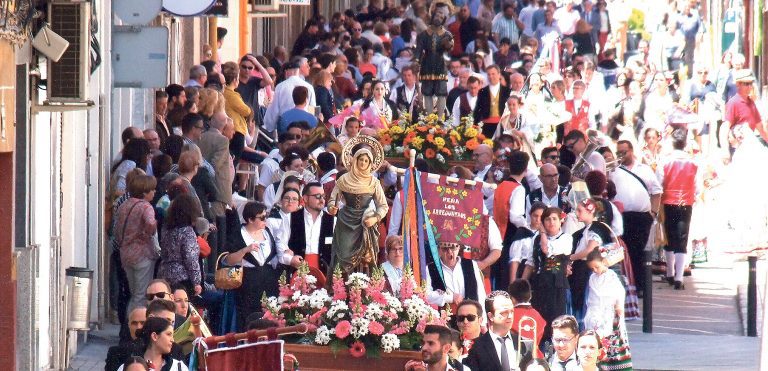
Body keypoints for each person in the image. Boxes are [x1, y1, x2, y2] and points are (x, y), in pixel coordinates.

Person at [225, 202, 299, 331]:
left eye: (266, 216)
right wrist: (245, 250)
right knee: (249, 317)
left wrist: (287, 252)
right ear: (250, 219)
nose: (266, 220)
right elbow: (229, 260)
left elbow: (278, 250)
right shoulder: (238, 233)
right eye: (262, 217)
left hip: (269, 281)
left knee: (270, 315)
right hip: (248, 284)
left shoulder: (267, 232)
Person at [609, 140, 661, 295]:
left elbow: (657, 191)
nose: (621, 155)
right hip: (623, 217)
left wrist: (653, 213)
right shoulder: (614, 170)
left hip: (641, 217)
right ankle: (630, 286)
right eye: (618, 152)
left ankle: (641, 286)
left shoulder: (644, 170)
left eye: (624, 152)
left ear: (632, 151)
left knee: (641, 253)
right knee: (627, 252)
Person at [327, 147, 389, 274]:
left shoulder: (374, 182)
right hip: (345, 222)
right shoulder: (344, 179)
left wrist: (375, 218)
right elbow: (332, 199)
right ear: (355, 160)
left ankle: (363, 290)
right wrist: (331, 208)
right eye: (361, 159)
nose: (363, 163)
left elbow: (383, 205)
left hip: (365, 223)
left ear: (370, 164)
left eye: (367, 161)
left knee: (365, 259)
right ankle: (340, 289)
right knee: (342, 256)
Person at [656, 129, 698, 290]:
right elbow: (697, 185)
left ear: (672, 143)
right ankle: (679, 277)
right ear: (685, 143)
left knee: (669, 237)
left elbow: (659, 182)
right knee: (682, 238)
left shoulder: (665, 161)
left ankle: (669, 273)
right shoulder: (693, 163)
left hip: (668, 201)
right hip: (686, 202)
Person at [114, 174, 158, 316]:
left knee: (133, 293)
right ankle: (134, 329)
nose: (154, 192)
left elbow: (116, 230)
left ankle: (129, 327)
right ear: (145, 192)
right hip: (143, 255)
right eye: (152, 189)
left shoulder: (124, 205)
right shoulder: (146, 207)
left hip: (126, 254)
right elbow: (151, 224)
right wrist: (152, 230)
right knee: (140, 296)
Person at [569, 198, 617, 321]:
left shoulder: (596, 229)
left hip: (587, 270)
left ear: (590, 211)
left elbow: (590, 250)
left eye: (580, 211)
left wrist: (571, 257)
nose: (577, 213)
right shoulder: (588, 229)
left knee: (588, 301)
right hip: (583, 270)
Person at [530, 207, 572, 341]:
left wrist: (542, 232)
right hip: (540, 284)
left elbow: (547, 249)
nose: (551, 222)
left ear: (561, 221)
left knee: (557, 321)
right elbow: (531, 262)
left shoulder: (566, 238)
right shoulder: (536, 238)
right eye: (547, 219)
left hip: (557, 284)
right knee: (540, 319)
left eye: (554, 219)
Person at [463, 291, 528, 371]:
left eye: (512, 311)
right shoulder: (476, 347)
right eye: (504, 313)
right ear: (491, 316)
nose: (510, 316)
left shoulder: (525, 343)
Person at [282, 182, 335, 273]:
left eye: (323, 196)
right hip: (296, 270)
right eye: (318, 196)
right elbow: (281, 243)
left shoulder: (333, 220)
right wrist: (290, 259)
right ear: (305, 198)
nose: (322, 200)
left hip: (323, 272)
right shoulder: (290, 218)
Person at [414, 1, 454, 117]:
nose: (439, 17)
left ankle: (440, 118)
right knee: (427, 92)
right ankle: (429, 118)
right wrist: (416, 61)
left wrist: (447, 44)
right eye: (437, 15)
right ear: (432, 16)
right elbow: (418, 50)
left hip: (440, 65)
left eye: (441, 16)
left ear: (444, 19)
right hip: (427, 64)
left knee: (441, 92)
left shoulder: (447, 34)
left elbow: (450, 48)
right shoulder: (423, 34)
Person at [158, 194, 203, 296]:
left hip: (164, 274)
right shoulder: (187, 231)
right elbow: (190, 258)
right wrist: (196, 282)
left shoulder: (166, 228)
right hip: (182, 277)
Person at [426, 241, 487, 315]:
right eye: (445, 249)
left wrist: (483, 322)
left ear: (458, 248)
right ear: (439, 250)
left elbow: (480, 294)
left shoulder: (471, 264)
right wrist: (450, 298)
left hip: (471, 317)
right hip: (444, 319)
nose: (449, 252)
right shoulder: (430, 268)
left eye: (453, 247)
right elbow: (427, 295)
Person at [116, 317, 188, 371]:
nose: (172, 340)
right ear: (154, 336)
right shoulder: (128, 367)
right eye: (168, 334)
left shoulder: (179, 367)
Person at [722, 69, 768, 149]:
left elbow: (761, 128)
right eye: (746, 84)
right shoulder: (734, 103)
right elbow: (725, 128)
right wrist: (725, 150)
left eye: (751, 83)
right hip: (737, 148)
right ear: (738, 84)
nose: (750, 86)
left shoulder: (751, 103)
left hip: (749, 146)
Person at [508, 279, 546, 359]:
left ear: (512, 298)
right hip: (536, 358)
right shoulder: (538, 316)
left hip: (514, 356)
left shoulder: (508, 315)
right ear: (530, 296)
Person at [511, 202, 546, 281]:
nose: (538, 220)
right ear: (530, 215)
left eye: (541, 217)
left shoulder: (548, 234)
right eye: (535, 216)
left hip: (541, 274)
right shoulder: (522, 232)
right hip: (522, 270)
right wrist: (512, 282)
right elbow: (515, 259)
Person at [474, 65, 511, 138]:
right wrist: (475, 125)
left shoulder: (507, 91)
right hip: (486, 126)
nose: (491, 76)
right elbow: (477, 110)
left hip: (502, 125)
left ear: (499, 74)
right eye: (489, 74)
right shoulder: (482, 91)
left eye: (493, 74)